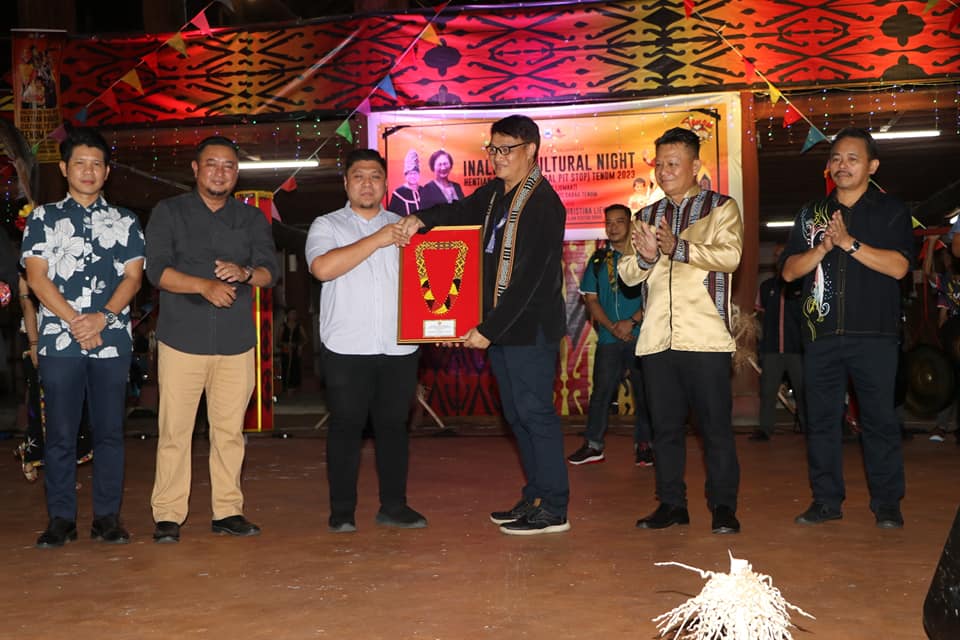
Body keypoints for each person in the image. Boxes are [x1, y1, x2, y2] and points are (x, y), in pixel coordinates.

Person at [400, 115, 570, 536]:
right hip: (504, 328)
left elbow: (529, 280)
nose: (497, 157)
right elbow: (460, 211)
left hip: (529, 329)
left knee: (536, 414)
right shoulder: (496, 193)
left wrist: (489, 329)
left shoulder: (544, 204)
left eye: (506, 149)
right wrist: (422, 219)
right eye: (493, 149)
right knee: (516, 415)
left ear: (531, 150)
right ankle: (535, 496)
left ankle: (554, 508)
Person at [146, 136, 280, 543]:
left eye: (229, 166)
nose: (220, 172)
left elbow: (270, 272)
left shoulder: (251, 218)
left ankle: (228, 511)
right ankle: (168, 514)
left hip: (236, 343)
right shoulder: (169, 212)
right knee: (175, 432)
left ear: (237, 173)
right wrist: (203, 286)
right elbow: (156, 271)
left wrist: (245, 273)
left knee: (229, 432)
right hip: (181, 340)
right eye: (212, 164)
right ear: (195, 169)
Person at [782, 127, 912, 530]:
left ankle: (887, 504)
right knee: (821, 422)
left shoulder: (891, 210)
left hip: (875, 336)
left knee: (879, 422)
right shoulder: (810, 214)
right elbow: (789, 271)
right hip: (820, 336)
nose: (843, 165)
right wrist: (822, 247)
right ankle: (826, 501)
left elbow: (899, 267)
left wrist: (848, 243)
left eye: (853, 158)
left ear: (872, 166)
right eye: (836, 158)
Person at [21, 127, 145, 548]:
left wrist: (102, 319)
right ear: (64, 168)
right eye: (80, 164)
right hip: (59, 340)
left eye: (96, 164)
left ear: (107, 171)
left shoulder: (126, 220)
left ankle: (107, 518)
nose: (88, 171)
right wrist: (78, 321)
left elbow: (133, 278)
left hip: (112, 341)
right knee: (59, 432)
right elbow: (37, 278)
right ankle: (61, 519)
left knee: (110, 431)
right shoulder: (43, 218)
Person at [619, 126, 743, 535]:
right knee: (665, 430)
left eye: (673, 163)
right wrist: (646, 257)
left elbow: (731, 256)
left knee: (715, 430)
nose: (664, 171)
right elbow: (627, 275)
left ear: (695, 166)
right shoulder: (645, 216)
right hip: (657, 339)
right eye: (659, 164)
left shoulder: (721, 208)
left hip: (705, 337)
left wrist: (679, 248)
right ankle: (672, 504)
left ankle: (723, 507)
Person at [305, 148, 426, 533]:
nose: (367, 183)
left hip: (399, 346)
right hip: (347, 347)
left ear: (386, 184)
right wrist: (377, 239)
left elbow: (430, 280)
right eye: (359, 176)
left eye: (375, 176)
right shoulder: (326, 225)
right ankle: (342, 511)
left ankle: (394, 506)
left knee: (394, 428)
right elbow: (322, 268)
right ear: (346, 183)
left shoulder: (407, 227)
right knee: (346, 428)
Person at [567, 204, 654, 467]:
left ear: (630, 224)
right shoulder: (597, 260)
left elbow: (656, 295)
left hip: (642, 337)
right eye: (609, 223)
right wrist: (613, 326)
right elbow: (591, 299)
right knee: (601, 393)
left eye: (619, 221)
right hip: (608, 338)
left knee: (645, 394)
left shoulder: (645, 256)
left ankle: (645, 445)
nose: (613, 227)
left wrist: (631, 322)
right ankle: (593, 445)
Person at [14, 273, 94, 483]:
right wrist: (34, 342)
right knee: (45, 409)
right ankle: (41, 461)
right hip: (38, 339)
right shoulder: (31, 262)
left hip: (69, 337)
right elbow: (26, 301)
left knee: (72, 409)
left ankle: (62, 469)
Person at [750, 243, 806, 441]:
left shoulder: (802, 286)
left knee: (803, 390)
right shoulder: (766, 287)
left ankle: (807, 427)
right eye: (776, 255)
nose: (779, 258)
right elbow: (758, 320)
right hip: (771, 350)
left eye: (782, 254)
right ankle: (765, 429)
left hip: (797, 349)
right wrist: (759, 347)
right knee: (767, 391)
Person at [922, 235, 960, 442]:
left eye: (948, 256)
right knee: (949, 379)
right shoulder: (946, 281)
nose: (945, 260)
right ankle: (942, 426)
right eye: (944, 257)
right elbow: (927, 272)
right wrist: (930, 244)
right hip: (953, 333)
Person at [278, 308, 307, 395]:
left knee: (295, 368)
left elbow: (305, 339)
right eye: (292, 313)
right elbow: (278, 342)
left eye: (295, 313)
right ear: (288, 315)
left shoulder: (299, 326)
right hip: (286, 351)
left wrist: (300, 346)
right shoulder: (283, 326)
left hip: (295, 351)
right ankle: (286, 388)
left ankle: (293, 388)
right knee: (286, 368)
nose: (293, 315)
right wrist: (285, 345)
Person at [387, 149, 424, 216]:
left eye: (415, 173)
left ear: (419, 174)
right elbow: (391, 216)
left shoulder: (424, 191)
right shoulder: (398, 193)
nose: (412, 176)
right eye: (410, 173)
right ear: (406, 175)